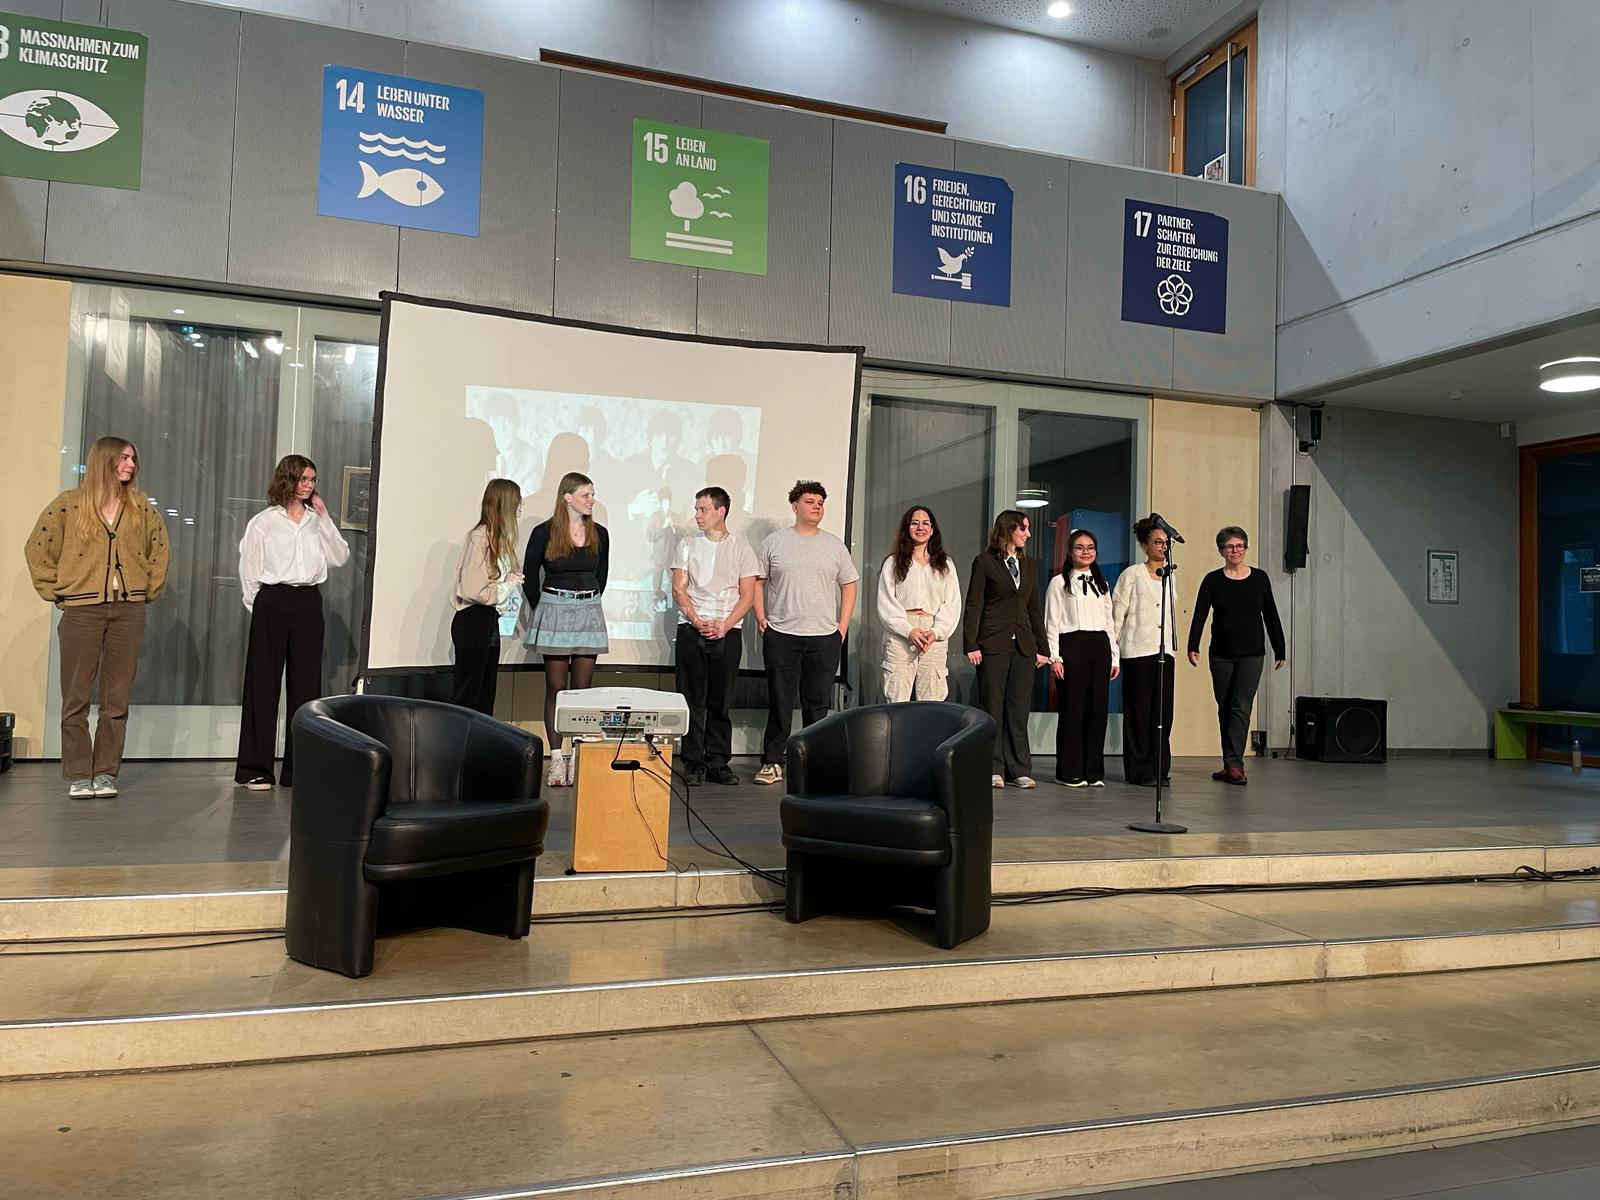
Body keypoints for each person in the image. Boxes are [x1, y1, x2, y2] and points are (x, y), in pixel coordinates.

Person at [24, 436, 169, 799]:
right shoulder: (69, 504)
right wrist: (59, 591)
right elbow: (37, 548)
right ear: (105, 460)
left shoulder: (140, 506)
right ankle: (78, 773)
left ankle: (105, 772)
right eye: (123, 457)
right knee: (75, 697)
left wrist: (145, 589)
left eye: (133, 458)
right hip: (81, 610)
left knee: (116, 699)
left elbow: (159, 550)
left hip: (128, 611)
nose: (131, 464)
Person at [235, 454, 351, 791]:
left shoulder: (317, 521)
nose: (309, 485)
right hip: (272, 600)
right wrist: (261, 609)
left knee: (306, 686)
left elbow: (340, 557)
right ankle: (255, 768)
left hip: (308, 602)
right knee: (262, 685)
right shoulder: (264, 522)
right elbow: (249, 570)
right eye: (303, 479)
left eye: (312, 480)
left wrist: (325, 518)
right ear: (288, 479)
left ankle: (299, 768)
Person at [752, 480, 858, 786]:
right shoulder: (774, 543)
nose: (817, 507)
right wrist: (761, 616)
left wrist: (842, 626)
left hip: (824, 636)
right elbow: (758, 581)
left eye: (821, 503)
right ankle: (773, 761)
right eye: (810, 502)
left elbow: (849, 584)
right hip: (782, 634)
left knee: (817, 704)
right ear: (795, 506)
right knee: (780, 701)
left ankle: (816, 764)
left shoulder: (834, 546)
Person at [524, 472, 608, 787]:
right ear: (567, 497)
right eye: (586, 495)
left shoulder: (600, 533)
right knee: (556, 687)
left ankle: (577, 756)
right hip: (554, 608)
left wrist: (587, 603)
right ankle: (557, 758)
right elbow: (530, 575)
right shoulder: (543, 532)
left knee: (582, 688)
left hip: (588, 609)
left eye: (592, 494)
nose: (591, 500)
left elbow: (602, 575)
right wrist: (545, 609)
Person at [672, 486, 759, 786]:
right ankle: (692, 762)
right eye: (696, 509)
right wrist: (697, 621)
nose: (697, 515)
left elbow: (747, 595)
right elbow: (679, 588)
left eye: (703, 509)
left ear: (721, 511)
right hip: (691, 629)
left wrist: (725, 624)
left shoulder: (742, 548)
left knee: (721, 700)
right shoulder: (687, 544)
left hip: (728, 630)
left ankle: (718, 762)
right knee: (691, 699)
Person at [1187, 525, 1287, 786]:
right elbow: (1200, 614)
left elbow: (1271, 614)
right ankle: (1230, 762)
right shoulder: (1212, 580)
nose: (1235, 550)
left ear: (1246, 548)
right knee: (1225, 707)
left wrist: (1280, 648)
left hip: (1252, 654)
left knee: (1241, 707)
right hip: (1221, 654)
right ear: (1221, 550)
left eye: (1240, 545)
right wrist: (1193, 645)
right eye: (1229, 546)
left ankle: (1234, 765)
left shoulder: (1260, 578)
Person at [962, 510, 1049, 790]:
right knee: (992, 707)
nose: (1028, 534)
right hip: (993, 643)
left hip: (1024, 645)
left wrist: (1043, 648)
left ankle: (1019, 769)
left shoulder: (1030, 566)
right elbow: (974, 605)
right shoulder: (985, 562)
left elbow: (1034, 609)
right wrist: (971, 644)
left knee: (1018, 709)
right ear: (1008, 529)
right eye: (1023, 529)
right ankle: (992, 767)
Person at [1045, 528, 1119, 788]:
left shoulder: (1102, 583)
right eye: (1080, 547)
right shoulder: (1059, 582)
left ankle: (1093, 771)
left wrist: (1114, 656)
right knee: (1073, 710)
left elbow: (1109, 622)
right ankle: (1069, 771)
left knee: (1097, 710)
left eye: (1090, 547)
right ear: (1070, 551)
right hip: (1072, 646)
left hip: (1099, 647)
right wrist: (1055, 657)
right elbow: (1051, 623)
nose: (1086, 552)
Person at [450, 479, 525, 716]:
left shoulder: (497, 538)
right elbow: (474, 589)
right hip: (473, 620)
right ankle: (461, 739)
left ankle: (480, 739)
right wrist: (507, 585)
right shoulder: (480, 537)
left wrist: (506, 585)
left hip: (488, 620)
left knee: (485, 695)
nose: (521, 504)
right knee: (469, 695)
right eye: (517, 499)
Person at [1112, 518, 1178, 787]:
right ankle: (1139, 769)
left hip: (1164, 651)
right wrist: (1113, 651)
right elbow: (1117, 614)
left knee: (1163, 713)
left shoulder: (1171, 575)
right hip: (1138, 651)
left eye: (1166, 542)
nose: (1163, 547)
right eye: (1157, 542)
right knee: (1139, 712)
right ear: (1145, 545)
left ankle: (1160, 767)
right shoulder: (1132, 574)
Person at [877, 505, 961, 703]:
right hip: (901, 633)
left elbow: (952, 603)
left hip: (933, 633)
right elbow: (886, 604)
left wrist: (937, 632)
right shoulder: (893, 563)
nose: (920, 527)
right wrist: (909, 631)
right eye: (915, 523)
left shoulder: (946, 564)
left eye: (925, 523)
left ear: (932, 530)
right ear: (907, 528)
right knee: (897, 697)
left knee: (932, 700)